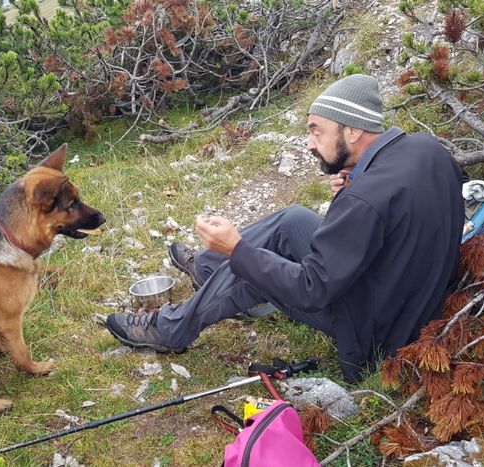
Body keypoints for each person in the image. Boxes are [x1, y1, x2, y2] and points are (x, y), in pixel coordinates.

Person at [106, 74, 465, 382]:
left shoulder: (365, 199)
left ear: (353, 130)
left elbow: (312, 290)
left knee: (252, 267)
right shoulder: (426, 150)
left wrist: (238, 250)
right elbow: (404, 208)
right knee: (293, 218)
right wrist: (360, 180)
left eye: (317, 131)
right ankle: (207, 268)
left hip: (375, 341)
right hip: (406, 301)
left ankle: (170, 328)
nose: (309, 144)